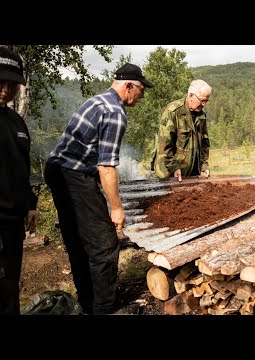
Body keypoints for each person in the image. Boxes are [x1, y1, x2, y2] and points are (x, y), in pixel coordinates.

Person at [44, 63, 154, 314]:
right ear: (129, 87)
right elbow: (106, 167)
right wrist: (116, 209)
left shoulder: (97, 100)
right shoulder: (115, 112)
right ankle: (106, 308)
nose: (142, 95)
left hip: (56, 171)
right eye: (141, 90)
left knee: (78, 240)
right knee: (104, 244)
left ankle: (87, 302)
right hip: (74, 176)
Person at [0, 47, 39, 315]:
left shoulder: (16, 122)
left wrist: (31, 204)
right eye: (0, 82)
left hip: (13, 223)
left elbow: (21, 169)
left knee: (10, 286)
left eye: (12, 84)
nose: (5, 89)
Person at [153, 79, 212, 182]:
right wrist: (174, 167)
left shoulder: (201, 116)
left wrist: (203, 166)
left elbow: (204, 144)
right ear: (191, 96)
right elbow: (164, 146)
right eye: (202, 100)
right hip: (170, 173)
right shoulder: (173, 111)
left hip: (191, 173)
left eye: (206, 101)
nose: (204, 105)